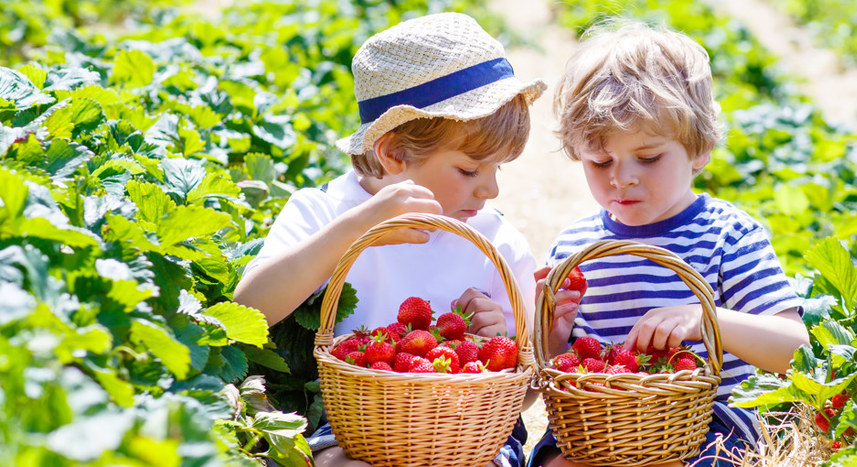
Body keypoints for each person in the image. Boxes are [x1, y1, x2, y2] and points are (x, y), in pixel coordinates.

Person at [231, 12, 545, 467]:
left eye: (498, 169)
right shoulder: (324, 212)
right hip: (357, 426)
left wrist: (504, 344)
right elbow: (251, 308)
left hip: (471, 431)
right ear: (393, 153)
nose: (490, 189)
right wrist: (358, 228)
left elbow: (526, 393)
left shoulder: (494, 239)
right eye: (470, 170)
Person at [530, 22, 809, 467]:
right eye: (600, 161)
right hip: (596, 425)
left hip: (707, 429)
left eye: (648, 157)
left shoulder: (727, 236)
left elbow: (795, 351)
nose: (622, 177)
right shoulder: (577, 247)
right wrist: (553, 332)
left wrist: (706, 319)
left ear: (698, 150)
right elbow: (552, 371)